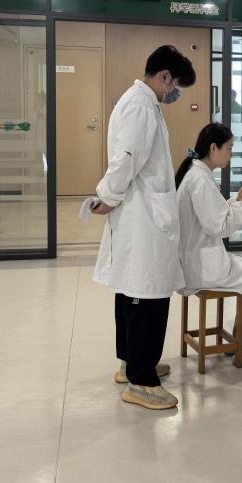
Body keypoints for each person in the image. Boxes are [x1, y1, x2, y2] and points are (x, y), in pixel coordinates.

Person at [90, 45, 196, 410]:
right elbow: (127, 159)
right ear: (164, 76)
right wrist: (108, 196)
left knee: (132, 292)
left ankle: (132, 363)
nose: (175, 93)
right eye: (176, 85)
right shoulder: (140, 106)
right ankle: (142, 381)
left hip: (144, 214)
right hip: (143, 217)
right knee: (146, 297)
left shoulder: (141, 102)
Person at [176, 123, 242, 365]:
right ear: (214, 148)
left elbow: (213, 214)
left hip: (198, 258)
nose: (231, 153)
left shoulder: (195, 173)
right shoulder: (201, 180)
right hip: (204, 265)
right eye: (229, 148)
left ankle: (241, 340)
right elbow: (219, 227)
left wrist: (238, 199)